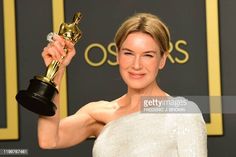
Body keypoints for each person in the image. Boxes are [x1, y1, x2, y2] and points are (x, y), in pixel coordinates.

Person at [38, 13, 207, 156]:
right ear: (117, 55)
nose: (136, 65)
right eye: (128, 53)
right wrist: (57, 73)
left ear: (162, 59)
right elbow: (49, 140)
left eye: (148, 55)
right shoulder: (98, 112)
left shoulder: (183, 113)